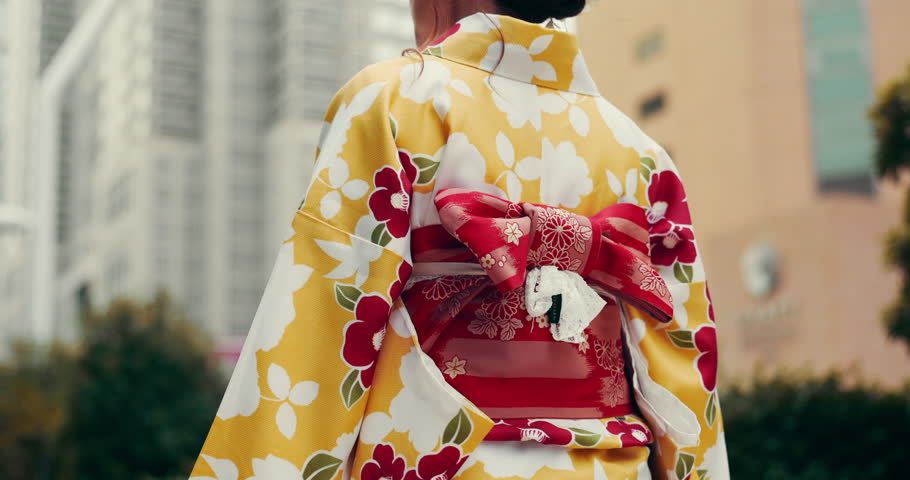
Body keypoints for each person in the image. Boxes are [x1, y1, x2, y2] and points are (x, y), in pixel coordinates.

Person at [189, 1, 730, 479]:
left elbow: (319, 331)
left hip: (447, 462)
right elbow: (686, 369)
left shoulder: (394, 101)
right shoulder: (640, 154)